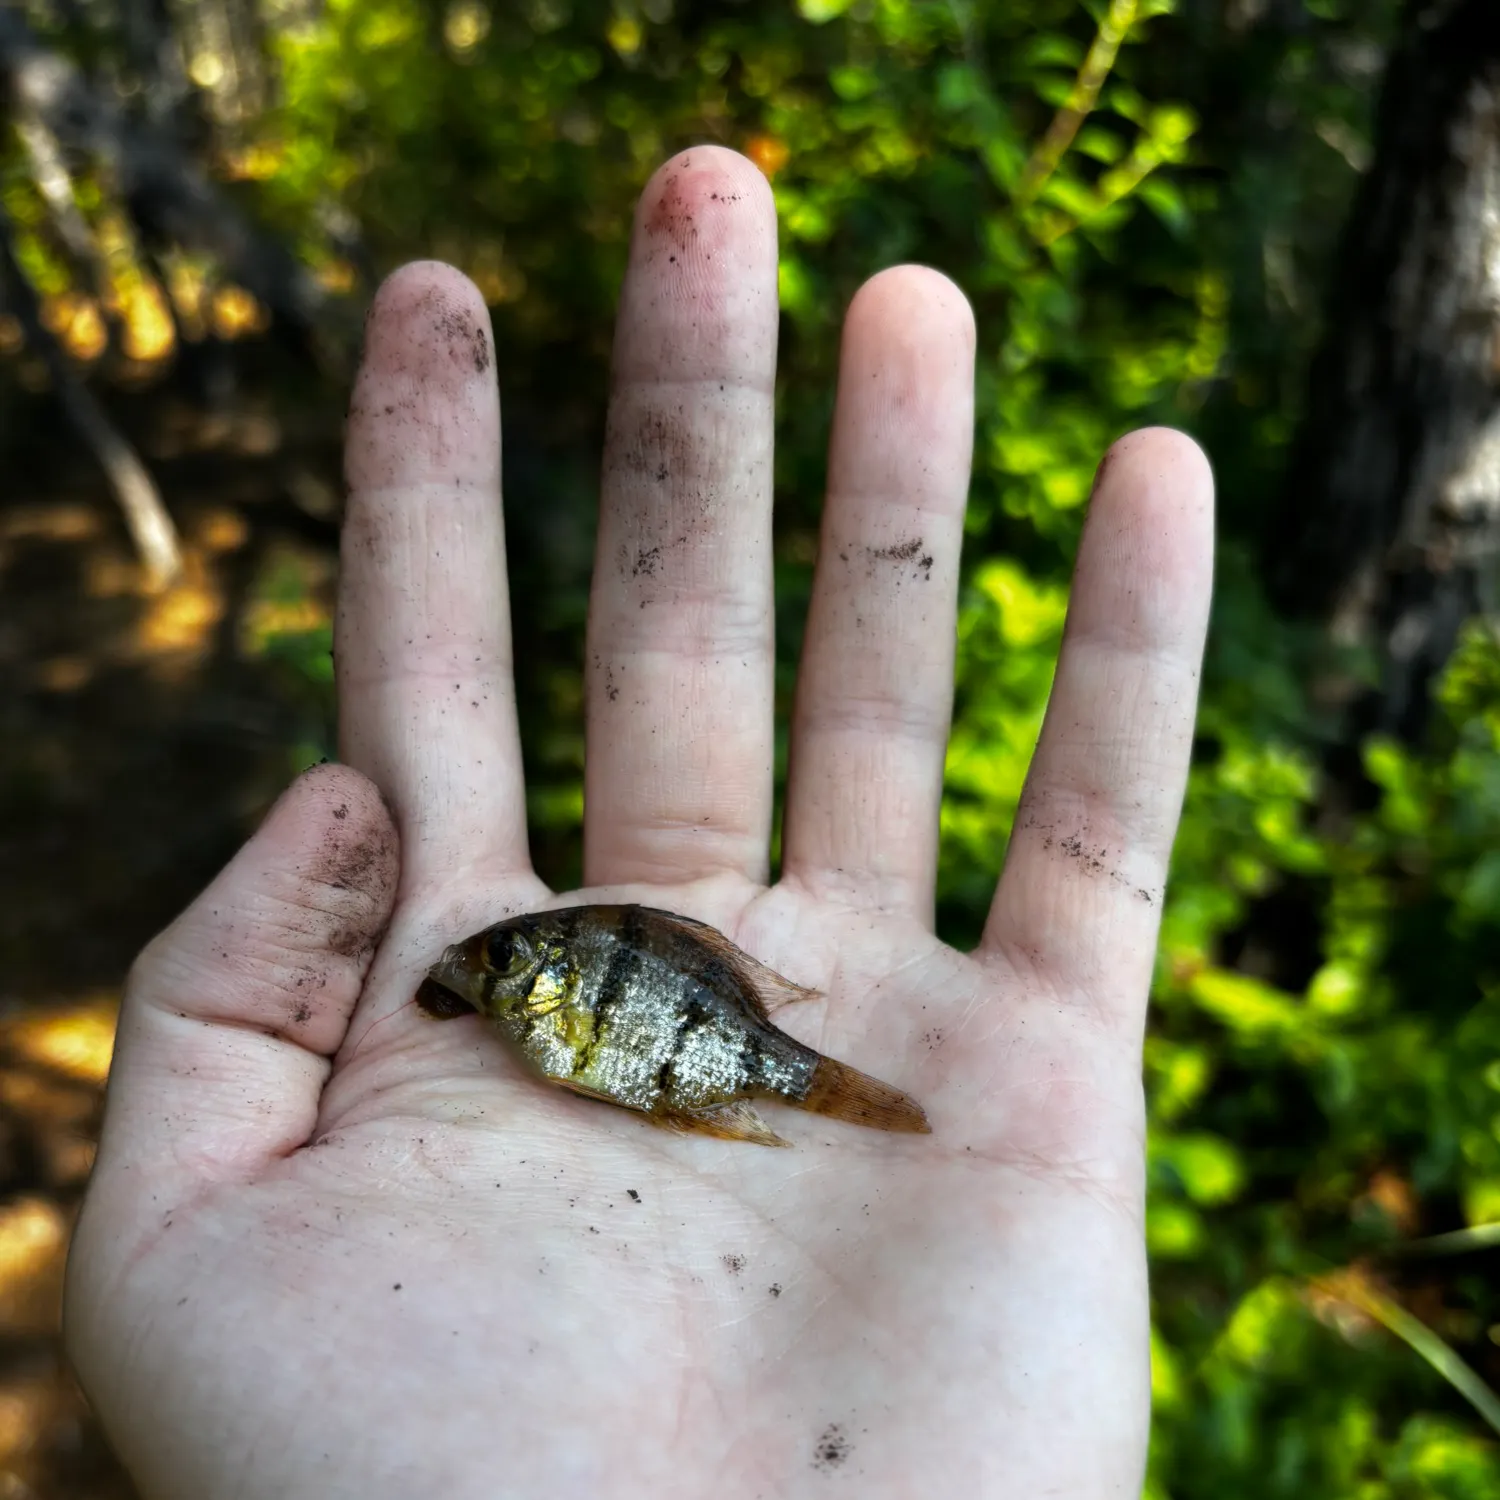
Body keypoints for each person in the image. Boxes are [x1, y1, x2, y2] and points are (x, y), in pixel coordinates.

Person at [63, 146, 1213, 1497]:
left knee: (756, 1064)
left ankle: (798, 1080)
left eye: (501, 968)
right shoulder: (519, 995)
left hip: (707, 1057)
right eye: (497, 968)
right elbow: (568, 1038)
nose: (487, 977)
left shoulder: (538, 982)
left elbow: (579, 1031)